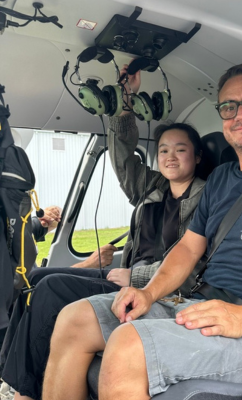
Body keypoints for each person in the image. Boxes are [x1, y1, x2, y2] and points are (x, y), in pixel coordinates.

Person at [41, 62, 242, 400]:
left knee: (126, 344)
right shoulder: (221, 179)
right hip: (194, 305)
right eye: (229, 106)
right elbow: (188, 249)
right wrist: (149, 292)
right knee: (73, 319)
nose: (240, 114)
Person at [0, 63, 205, 400]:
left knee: (50, 289)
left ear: (197, 157)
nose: (169, 156)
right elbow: (123, 157)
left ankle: (24, 393)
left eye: (180, 150)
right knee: (35, 279)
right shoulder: (152, 186)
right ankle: (10, 378)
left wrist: (137, 278)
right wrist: (127, 102)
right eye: (164, 150)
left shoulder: (204, 198)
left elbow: (193, 262)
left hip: (154, 288)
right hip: (125, 274)